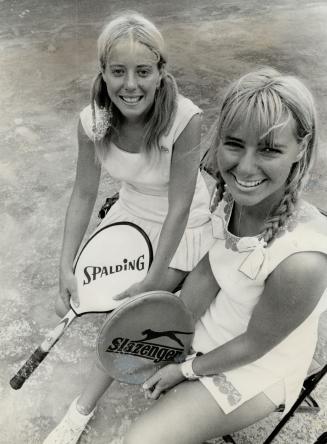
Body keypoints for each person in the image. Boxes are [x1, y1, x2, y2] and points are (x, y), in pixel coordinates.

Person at [122, 68, 327, 444]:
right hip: (222, 323)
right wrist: (175, 333)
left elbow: (255, 345)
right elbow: (210, 269)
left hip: (257, 362)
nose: (245, 168)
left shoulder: (304, 261)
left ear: (301, 148)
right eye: (234, 144)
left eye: (269, 149)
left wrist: (184, 371)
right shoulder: (234, 197)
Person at [43, 11, 214, 444]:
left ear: (161, 72)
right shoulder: (93, 121)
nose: (130, 85)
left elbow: (178, 207)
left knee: (127, 316)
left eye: (143, 71)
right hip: (131, 216)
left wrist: (154, 282)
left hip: (186, 222)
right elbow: (83, 194)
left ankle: (79, 410)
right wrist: (65, 266)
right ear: (103, 72)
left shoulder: (184, 118)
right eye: (118, 71)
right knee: (86, 294)